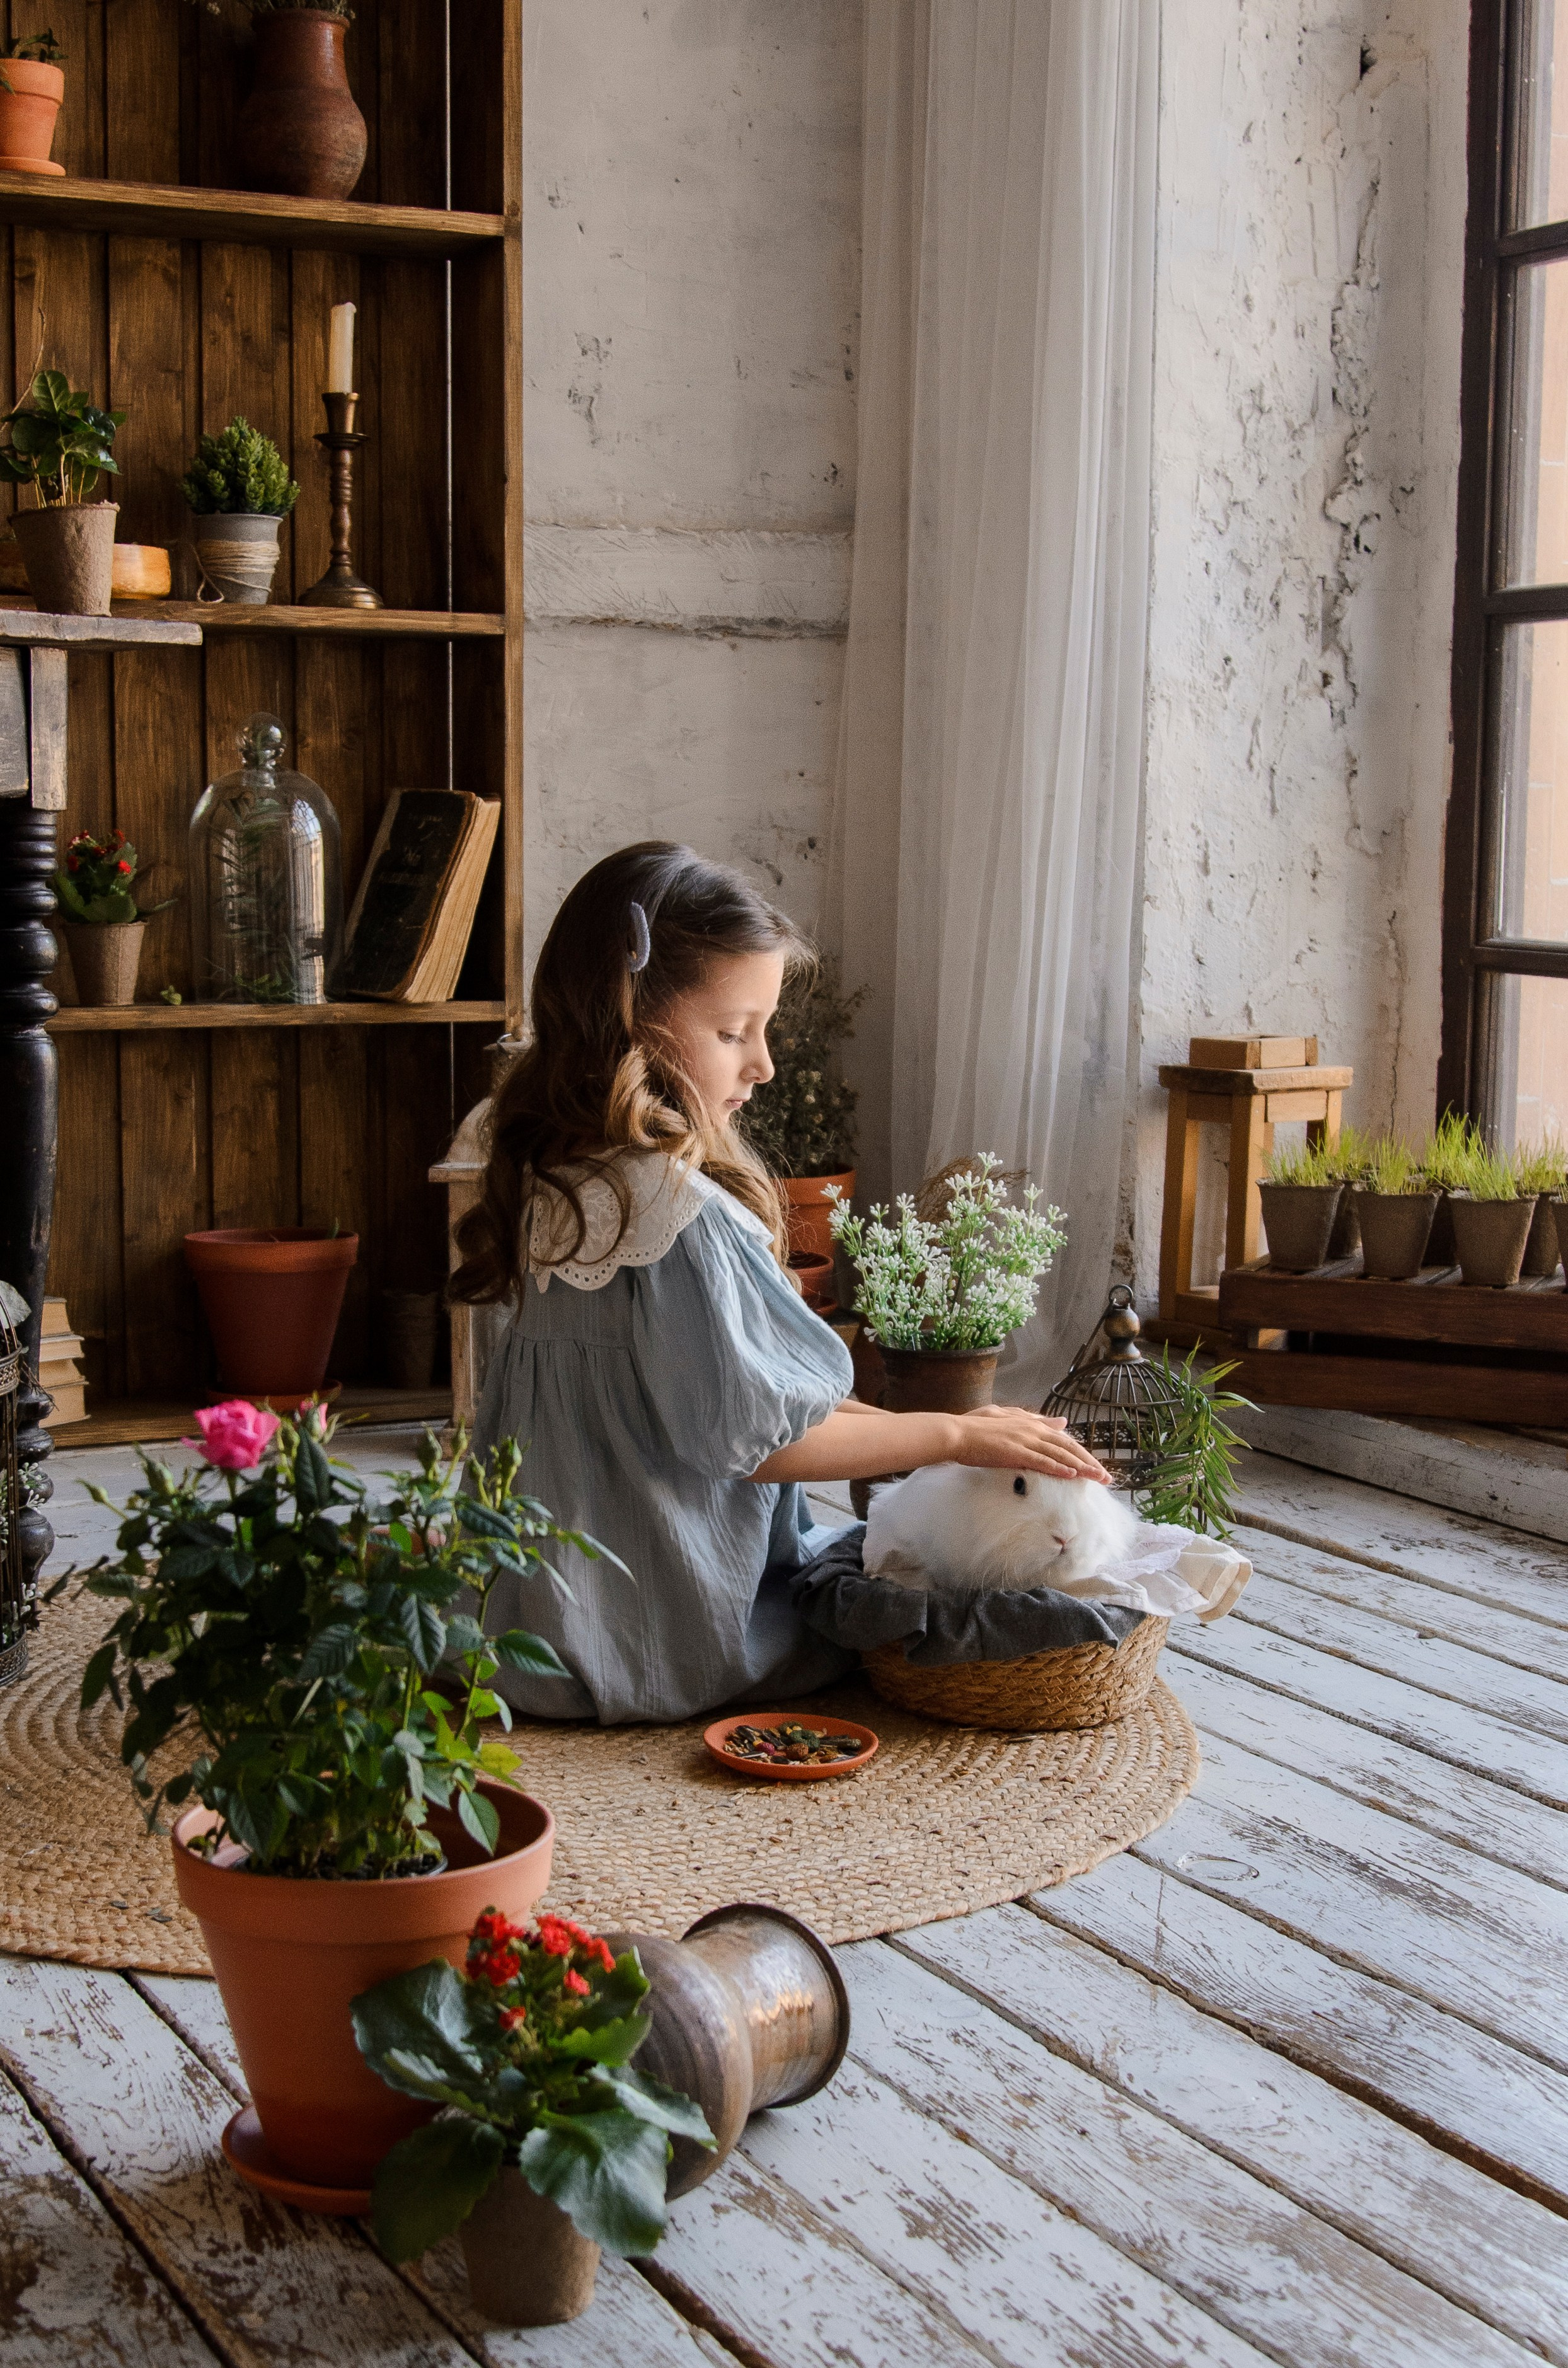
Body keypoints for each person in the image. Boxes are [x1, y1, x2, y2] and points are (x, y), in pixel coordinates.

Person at [449, 840, 1109, 1723]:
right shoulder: (682, 1219)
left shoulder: (564, 1177)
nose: (762, 1064)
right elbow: (763, 1445)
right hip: (658, 1624)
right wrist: (948, 1434)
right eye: (733, 1032)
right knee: (876, 1597)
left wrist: (962, 1426)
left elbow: (751, 1406)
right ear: (630, 1021)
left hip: (529, 1614)